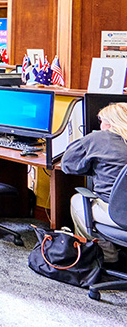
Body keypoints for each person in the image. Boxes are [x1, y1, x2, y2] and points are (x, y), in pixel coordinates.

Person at [62, 102, 127, 264]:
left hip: (119, 215)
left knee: (78, 200)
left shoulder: (99, 138)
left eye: (102, 121)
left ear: (108, 123)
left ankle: (105, 254)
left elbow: (67, 165)